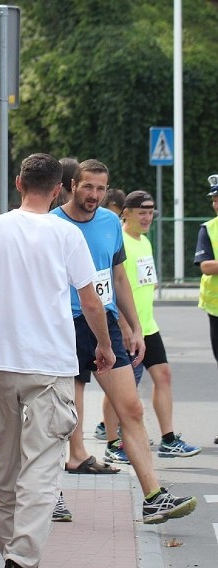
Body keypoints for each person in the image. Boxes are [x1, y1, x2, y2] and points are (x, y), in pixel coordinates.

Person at [0, 152, 113, 568]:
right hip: (50, 366)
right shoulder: (65, 236)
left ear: (19, 184)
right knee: (43, 465)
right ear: (59, 189)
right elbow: (90, 300)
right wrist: (104, 345)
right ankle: (23, 558)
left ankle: (11, 550)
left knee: (4, 465)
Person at [51, 159, 197, 525]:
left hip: (105, 324)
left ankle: (153, 497)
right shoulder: (52, 224)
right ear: (72, 185)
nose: (94, 196)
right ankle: (49, 495)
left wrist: (134, 327)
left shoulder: (108, 224)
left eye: (101, 189)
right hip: (63, 325)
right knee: (57, 417)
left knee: (131, 409)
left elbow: (118, 277)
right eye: (88, 187)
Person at [96, 190, 201, 459]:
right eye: (141, 212)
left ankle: (168, 439)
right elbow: (113, 286)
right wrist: (124, 325)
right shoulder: (120, 242)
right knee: (119, 386)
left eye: (150, 212)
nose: (147, 217)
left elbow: (144, 281)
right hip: (126, 328)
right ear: (126, 213)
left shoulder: (144, 241)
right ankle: (112, 442)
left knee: (163, 376)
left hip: (148, 326)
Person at [194, 174, 218, 444]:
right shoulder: (208, 229)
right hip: (216, 309)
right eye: (214, 199)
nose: (216, 204)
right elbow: (205, 265)